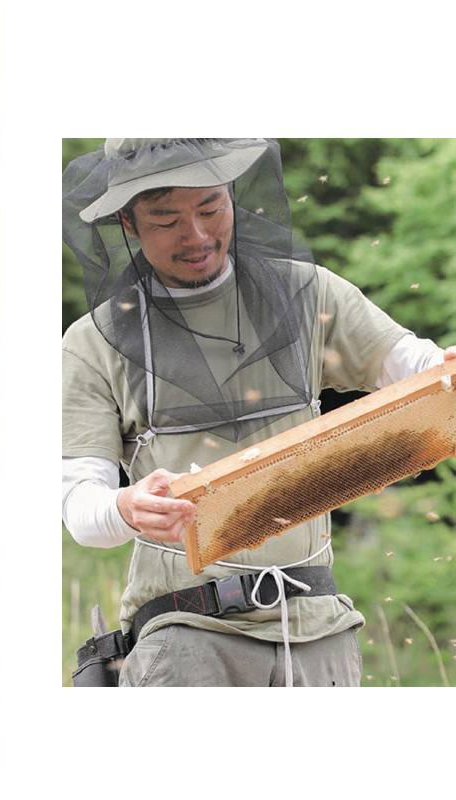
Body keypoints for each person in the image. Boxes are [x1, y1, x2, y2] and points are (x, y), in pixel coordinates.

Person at [59, 137, 456, 689]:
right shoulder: (91, 343)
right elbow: (80, 505)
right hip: (186, 633)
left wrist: (444, 368)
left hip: (318, 627)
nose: (196, 235)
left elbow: (411, 364)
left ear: (233, 195)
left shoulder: (306, 293)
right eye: (167, 218)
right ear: (129, 223)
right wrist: (126, 507)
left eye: (210, 208)